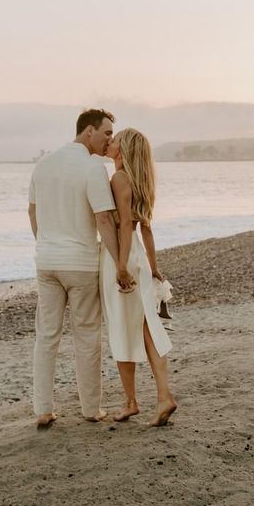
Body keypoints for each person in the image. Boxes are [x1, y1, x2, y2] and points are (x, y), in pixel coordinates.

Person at [28, 109, 134, 428]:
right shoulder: (92, 168)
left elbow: (32, 212)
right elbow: (103, 219)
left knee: (46, 335)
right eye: (106, 133)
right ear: (88, 131)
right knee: (87, 334)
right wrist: (120, 264)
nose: (109, 140)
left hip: (47, 261)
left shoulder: (43, 164)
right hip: (81, 263)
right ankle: (91, 409)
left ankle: (43, 409)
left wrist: (45, 243)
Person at [100, 127, 177, 426]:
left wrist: (120, 266)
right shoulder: (141, 181)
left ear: (124, 149)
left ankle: (132, 402)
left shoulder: (119, 178)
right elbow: (145, 227)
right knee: (149, 329)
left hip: (122, 255)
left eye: (115, 139)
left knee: (121, 327)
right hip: (139, 259)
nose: (110, 142)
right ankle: (163, 396)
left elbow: (123, 227)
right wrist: (153, 268)